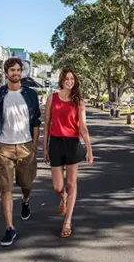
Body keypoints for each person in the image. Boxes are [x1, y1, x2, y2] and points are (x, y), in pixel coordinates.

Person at [0, 57, 41, 246]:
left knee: (26, 183)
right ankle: (10, 228)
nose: (16, 73)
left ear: (21, 72)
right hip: (4, 147)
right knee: (6, 188)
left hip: (26, 146)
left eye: (18, 70)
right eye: (12, 70)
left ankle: (25, 201)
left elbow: (36, 121)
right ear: (6, 73)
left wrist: (35, 143)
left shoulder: (30, 94)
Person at [43, 69, 93, 238]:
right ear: (61, 80)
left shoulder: (79, 102)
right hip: (55, 143)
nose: (69, 81)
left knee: (72, 184)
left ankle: (67, 222)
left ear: (75, 81)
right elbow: (47, 124)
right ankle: (64, 197)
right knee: (57, 186)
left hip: (72, 144)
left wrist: (89, 149)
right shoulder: (52, 98)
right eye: (66, 78)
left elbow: (83, 127)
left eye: (72, 78)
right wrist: (44, 147)